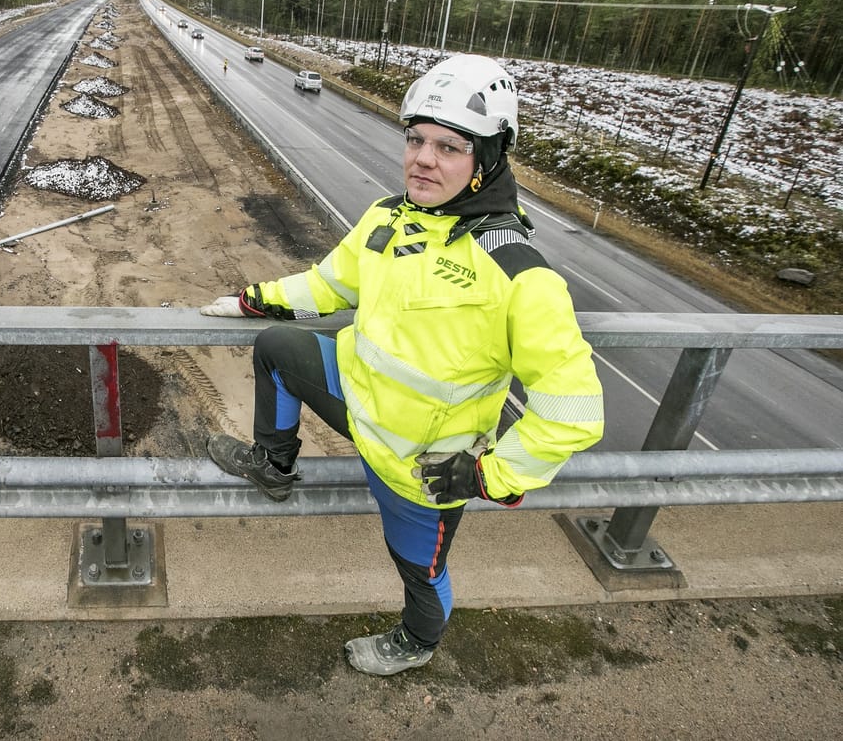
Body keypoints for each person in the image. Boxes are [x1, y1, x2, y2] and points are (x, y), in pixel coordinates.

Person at [199, 53, 604, 676]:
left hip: (423, 466)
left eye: (450, 147)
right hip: (358, 403)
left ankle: (418, 644)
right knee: (279, 349)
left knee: (419, 569)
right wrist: (256, 299)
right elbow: (328, 284)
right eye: (416, 139)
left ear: (488, 158)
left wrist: (489, 477)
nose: (423, 158)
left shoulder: (516, 270)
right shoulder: (388, 218)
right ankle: (273, 465)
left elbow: (573, 410)